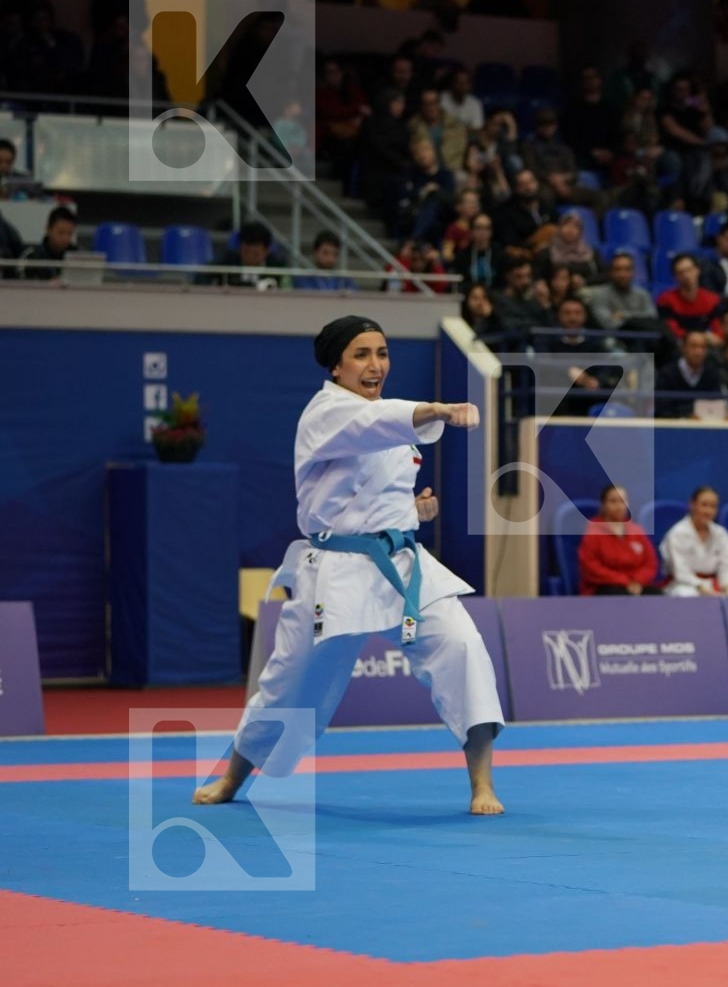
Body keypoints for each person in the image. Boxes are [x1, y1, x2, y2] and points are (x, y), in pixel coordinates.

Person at [194, 316, 504, 815]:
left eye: (382, 353)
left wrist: (414, 512)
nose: (375, 364)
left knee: (463, 646)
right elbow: (369, 428)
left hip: (401, 565)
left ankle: (482, 784)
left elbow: (379, 488)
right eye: (361, 354)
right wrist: (439, 409)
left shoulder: (389, 420)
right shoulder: (326, 412)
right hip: (335, 571)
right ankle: (231, 777)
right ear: (336, 366)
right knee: (291, 682)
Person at [577, 485, 661, 595]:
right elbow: (590, 567)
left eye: (622, 501)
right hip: (604, 586)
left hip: (636, 585)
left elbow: (650, 563)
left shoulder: (636, 530)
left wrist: (637, 581)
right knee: (622, 597)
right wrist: (624, 581)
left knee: (657, 596)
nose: (619, 506)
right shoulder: (593, 531)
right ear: (603, 505)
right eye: (613, 501)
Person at [660, 486, 728, 596]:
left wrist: (727, 585)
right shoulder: (677, 533)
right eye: (704, 505)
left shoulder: (720, 533)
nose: (708, 511)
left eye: (713, 506)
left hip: (714, 583)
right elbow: (680, 570)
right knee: (686, 594)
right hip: (685, 585)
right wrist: (700, 586)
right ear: (692, 505)